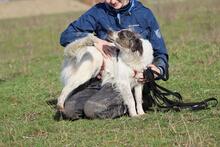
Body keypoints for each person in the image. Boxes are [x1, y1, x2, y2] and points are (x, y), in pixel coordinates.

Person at [58, 0, 169, 120]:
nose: (112, 1)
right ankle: (98, 97)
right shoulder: (98, 11)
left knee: (93, 110)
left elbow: (161, 53)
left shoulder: (144, 14)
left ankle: (140, 101)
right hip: (101, 78)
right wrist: (95, 41)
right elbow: (66, 36)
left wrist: (157, 69)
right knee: (69, 112)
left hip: (130, 80)